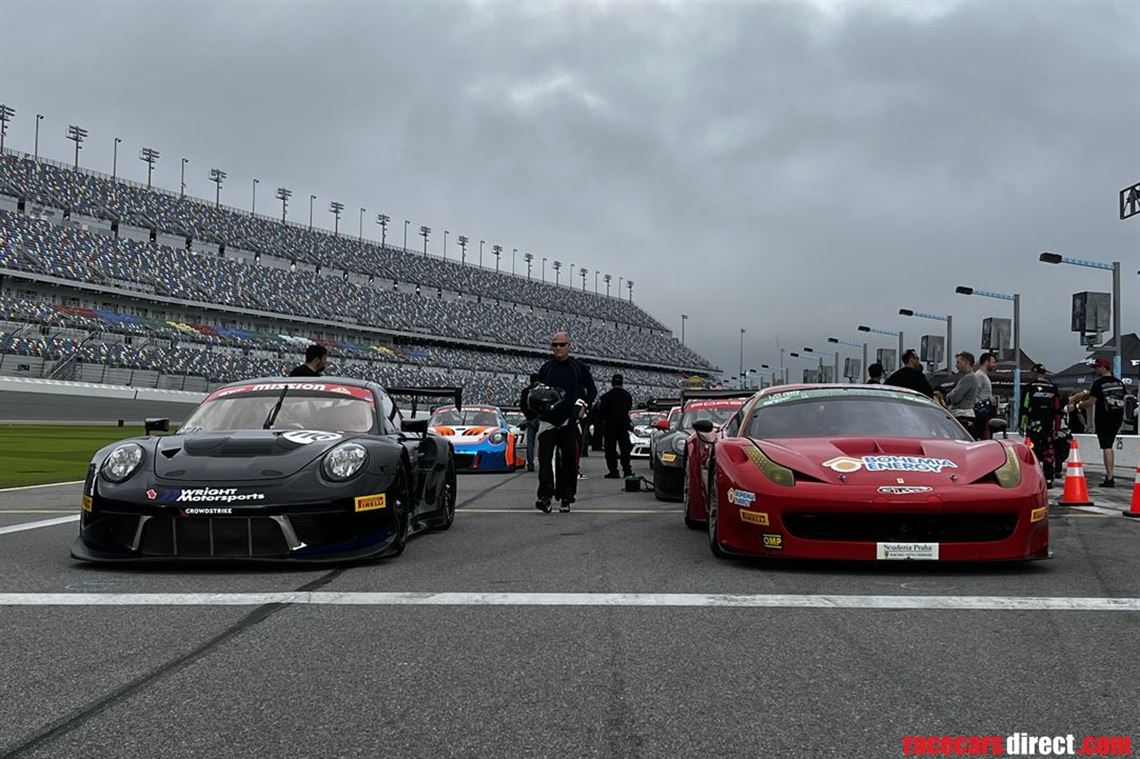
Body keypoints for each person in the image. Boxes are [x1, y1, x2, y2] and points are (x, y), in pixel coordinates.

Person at [532, 331, 597, 513]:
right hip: (548, 422)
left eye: (562, 345)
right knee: (545, 461)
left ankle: (566, 497)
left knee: (568, 462)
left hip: (570, 421)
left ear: (569, 346)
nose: (558, 348)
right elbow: (538, 392)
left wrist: (584, 405)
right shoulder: (546, 368)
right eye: (555, 345)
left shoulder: (579, 368)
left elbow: (592, 390)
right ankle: (544, 497)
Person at [1073, 358, 1126, 487]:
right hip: (1118, 417)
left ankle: (1109, 478)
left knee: (1106, 447)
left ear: (1103, 367)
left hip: (1104, 418)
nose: (1095, 370)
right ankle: (1110, 475)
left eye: (1097, 367)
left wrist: (1079, 406)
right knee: (1109, 446)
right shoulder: (1119, 383)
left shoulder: (1099, 383)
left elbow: (1091, 401)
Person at [1020, 363, 1062, 488]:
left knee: (1033, 452)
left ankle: (1034, 478)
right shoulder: (1052, 387)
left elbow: (1025, 407)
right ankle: (1048, 479)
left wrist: (1022, 426)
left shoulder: (1030, 387)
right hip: (1048, 426)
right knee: (1048, 452)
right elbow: (1057, 409)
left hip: (1033, 425)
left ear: (1035, 373)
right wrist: (1057, 428)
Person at [597, 373, 634, 479]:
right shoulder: (627, 396)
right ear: (622, 383)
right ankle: (627, 470)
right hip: (623, 425)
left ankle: (613, 471)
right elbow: (628, 409)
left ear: (612, 383)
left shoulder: (606, 397)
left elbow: (601, 413)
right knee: (625, 449)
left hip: (610, 425)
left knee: (610, 449)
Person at [943, 352, 980, 437]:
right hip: (963, 414)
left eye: (958, 362)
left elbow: (955, 397)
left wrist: (948, 397)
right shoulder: (966, 377)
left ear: (966, 362)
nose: (956, 365)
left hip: (962, 415)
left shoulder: (969, 378)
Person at [518, 373, 541, 472]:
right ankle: (544, 462)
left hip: (530, 419)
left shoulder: (526, 391)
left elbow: (522, 405)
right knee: (543, 442)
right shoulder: (541, 391)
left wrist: (528, 416)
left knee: (530, 443)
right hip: (540, 418)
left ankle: (530, 464)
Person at [973, 352, 997, 439]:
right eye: (993, 362)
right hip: (981, 412)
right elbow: (975, 393)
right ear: (987, 361)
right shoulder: (979, 376)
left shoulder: (983, 376)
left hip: (984, 411)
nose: (994, 365)